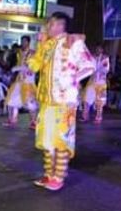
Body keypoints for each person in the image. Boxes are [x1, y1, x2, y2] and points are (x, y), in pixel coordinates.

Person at [27, 12, 95, 191]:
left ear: (63, 26)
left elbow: (90, 65)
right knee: (47, 139)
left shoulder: (73, 41)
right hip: (47, 100)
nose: (51, 27)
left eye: (56, 24)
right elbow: (34, 66)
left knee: (61, 140)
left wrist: (72, 79)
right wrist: (39, 45)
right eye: (50, 24)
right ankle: (49, 174)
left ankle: (59, 176)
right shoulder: (47, 45)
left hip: (65, 101)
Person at [3, 36, 38, 129]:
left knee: (31, 103)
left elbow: (31, 67)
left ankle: (34, 122)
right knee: (11, 100)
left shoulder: (33, 53)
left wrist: (16, 68)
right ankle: (12, 119)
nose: (23, 43)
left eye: (25, 41)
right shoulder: (19, 53)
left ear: (28, 42)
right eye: (22, 41)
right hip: (19, 80)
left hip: (28, 80)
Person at [80, 45, 111, 124]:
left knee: (100, 101)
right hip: (92, 80)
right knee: (86, 99)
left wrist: (96, 70)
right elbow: (87, 66)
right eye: (97, 49)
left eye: (99, 49)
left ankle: (98, 117)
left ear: (102, 50)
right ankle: (85, 116)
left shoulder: (105, 58)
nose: (98, 50)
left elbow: (105, 69)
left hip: (101, 81)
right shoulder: (92, 57)